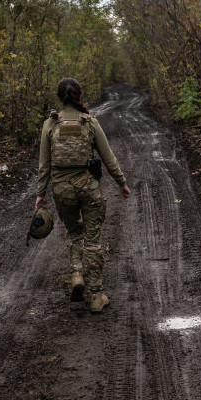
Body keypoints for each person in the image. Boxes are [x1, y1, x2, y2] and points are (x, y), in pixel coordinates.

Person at [35, 78, 131, 313]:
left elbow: (44, 164)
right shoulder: (90, 122)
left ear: (60, 97)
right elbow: (108, 157)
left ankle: (77, 273)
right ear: (79, 96)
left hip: (61, 188)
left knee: (74, 231)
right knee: (93, 238)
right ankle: (97, 295)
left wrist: (40, 194)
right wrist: (122, 182)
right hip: (88, 186)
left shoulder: (50, 124)